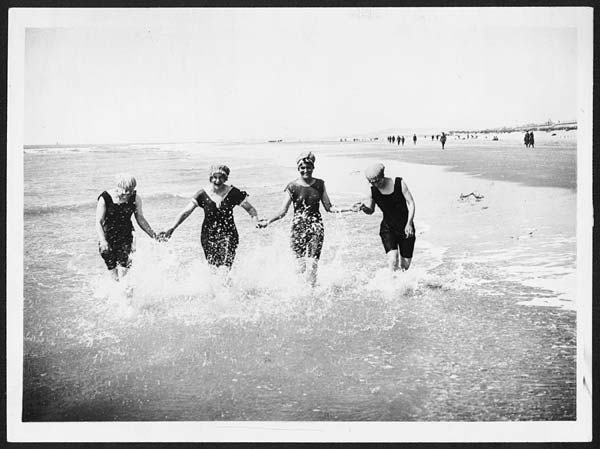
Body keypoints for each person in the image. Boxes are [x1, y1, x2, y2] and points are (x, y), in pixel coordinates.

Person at [257, 151, 353, 287]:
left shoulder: (320, 184)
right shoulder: (292, 187)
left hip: (316, 228)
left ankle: (311, 292)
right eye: (302, 168)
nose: (306, 170)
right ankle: (300, 292)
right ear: (298, 169)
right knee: (300, 267)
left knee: (313, 265)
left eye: (308, 167)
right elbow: (283, 211)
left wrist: (349, 208)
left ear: (313, 168)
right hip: (298, 228)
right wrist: (268, 221)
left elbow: (329, 207)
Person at [162, 164, 258, 268]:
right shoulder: (202, 194)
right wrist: (172, 228)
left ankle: (227, 284)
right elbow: (185, 212)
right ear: (210, 178)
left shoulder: (233, 193)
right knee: (213, 268)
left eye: (221, 178)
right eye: (215, 177)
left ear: (225, 178)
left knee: (226, 267)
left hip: (229, 234)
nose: (217, 181)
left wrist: (256, 221)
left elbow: (250, 209)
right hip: (208, 236)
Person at [353, 163, 416, 272]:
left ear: (383, 176)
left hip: (406, 228)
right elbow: (371, 211)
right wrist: (363, 208)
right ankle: (391, 286)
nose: (375, 184)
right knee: (393, 260)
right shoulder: (372, 190)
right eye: (371, 182)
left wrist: (409, 223)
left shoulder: (399, 183)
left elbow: (411, 203)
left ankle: (402, 285)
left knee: (405, 266)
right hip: (388, 229)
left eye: (377, 181)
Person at [96, 174, 157, 281]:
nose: (128, 193)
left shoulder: (135, 198)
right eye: (125, 190)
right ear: (118, 186)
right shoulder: (105, 198)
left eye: (131, 190)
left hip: (127, 237)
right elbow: (99, 222)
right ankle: (116, 293)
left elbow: (140, 219)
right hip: (108, 237)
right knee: (113, 271)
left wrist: (153, 235)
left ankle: (126, 295)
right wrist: (103, 241)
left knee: (125, 271)